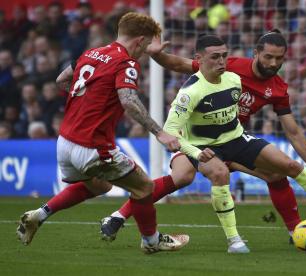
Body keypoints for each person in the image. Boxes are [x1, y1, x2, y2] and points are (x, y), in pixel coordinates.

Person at [100, 32, 306, 244]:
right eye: (268, 57)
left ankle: (295, 231)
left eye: (279, 59)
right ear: (257, 54)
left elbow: (293, 131)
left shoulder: (278, 88)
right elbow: (180, 64)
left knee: (277, 174)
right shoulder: (228, 65)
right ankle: (118, 215)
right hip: (196, 140)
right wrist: (158, 55)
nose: (273, 63)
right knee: (182, 177)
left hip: (233, 139)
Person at [15, 12, 189, 254]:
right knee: (144, 188)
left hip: (65, 142)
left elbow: (61, 79)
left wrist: (91, 102)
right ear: (139, 41)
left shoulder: (91, 53)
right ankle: (151, 241)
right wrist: (159, 133)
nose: (144, 51)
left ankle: (40, 214)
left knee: (100, 186)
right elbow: (128, 101)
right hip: (93, 146)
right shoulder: (127, 63)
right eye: (146, 45)